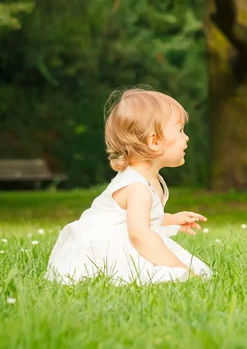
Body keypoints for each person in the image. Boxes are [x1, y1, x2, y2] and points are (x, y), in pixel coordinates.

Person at [46, 87, 212, 285]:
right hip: (101, 251)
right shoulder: (137, 188)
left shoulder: (149, 179)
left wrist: (171, 220)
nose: (186, 137)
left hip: (125, 240)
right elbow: (140, 235)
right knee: (166, 274)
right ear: (154, 142)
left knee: (182, 269)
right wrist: (177, 266)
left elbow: (140, 219)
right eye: (180, 130)